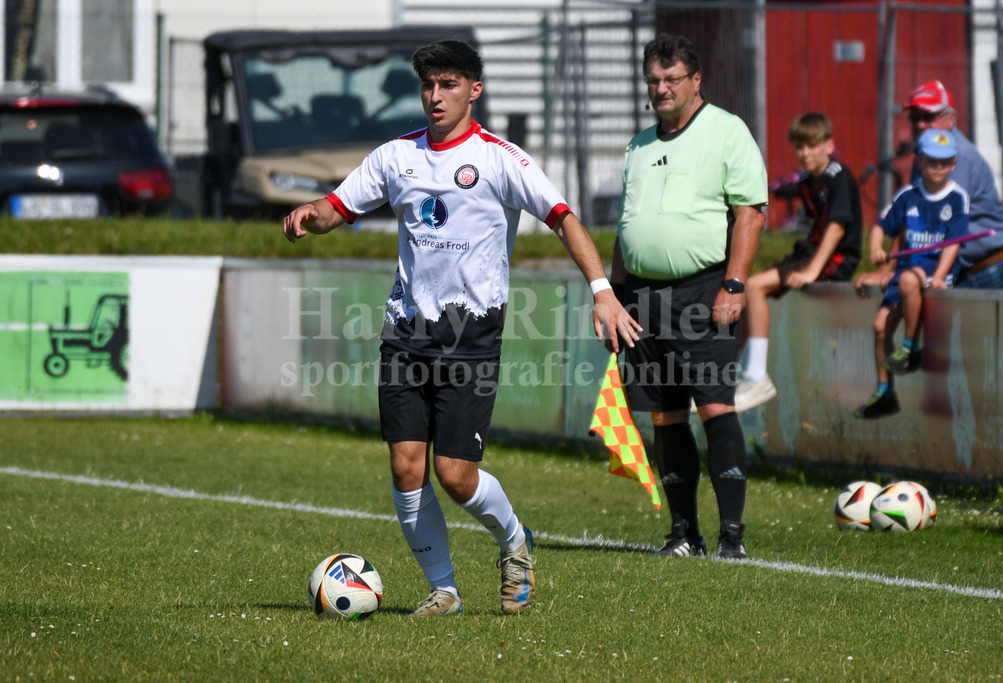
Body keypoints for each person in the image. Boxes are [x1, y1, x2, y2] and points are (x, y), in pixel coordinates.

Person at [283, 40, 641, 617]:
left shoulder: (501, 159)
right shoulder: (396, 156)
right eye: (428, 85)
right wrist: (311, 215)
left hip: (470, 337)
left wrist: (603, 292)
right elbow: (337, 208)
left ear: (474, 90)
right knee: (406, 465)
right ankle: (444, 589)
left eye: (448, 84)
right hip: (405, 331)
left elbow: (563, 219)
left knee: (454, 474)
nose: (435, 96)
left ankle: (515, 542)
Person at [609, 34, 767, 559]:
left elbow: (750, 213)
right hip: (641, 298)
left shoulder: (727, 131)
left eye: (671, 79)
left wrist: (734, 283)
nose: (661, 89)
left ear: (696, 80)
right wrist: (613, 295)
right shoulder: (638, 145)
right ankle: (683, 535)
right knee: (664, 415)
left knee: (716, 407)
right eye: (653, 80)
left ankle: (731, 538)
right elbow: (626, 229)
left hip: (704, 290)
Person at [733, 112, 862, 412]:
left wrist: (813, 270)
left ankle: (756, 376)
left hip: (833, 259)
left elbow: (837, 227)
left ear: (829, 146)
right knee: (746, 294)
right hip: (810, 254)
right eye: (799, 147)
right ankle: (731, 375)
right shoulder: (808, 181)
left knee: (753, 286)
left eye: (812, 145)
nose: (805, 153)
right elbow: (784, 193)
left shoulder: (839, 177)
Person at [859, 79, 1003, 293]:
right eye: (914, 117)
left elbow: (926, 224)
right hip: (965, 269)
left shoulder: (956, 157)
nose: (920, 124)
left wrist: (892, 271)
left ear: (951, 118)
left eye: (928, 117)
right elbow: (910, 216)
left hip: (995, 270)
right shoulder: (926, 155)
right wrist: (888, 270)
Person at [854, 129, 968, 419]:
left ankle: (910, 347)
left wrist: (939, 276)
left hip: (934, 270)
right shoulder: (907, 195)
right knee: (880, 327)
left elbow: (953, 245)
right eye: (932, 161)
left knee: (907, 278)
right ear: (919, 161)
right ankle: (885, 392)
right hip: (907, 271)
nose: (938, 166)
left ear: (954, 163)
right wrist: (876, 248)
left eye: (945, 161)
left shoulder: (957, 198)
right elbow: (880, 227)